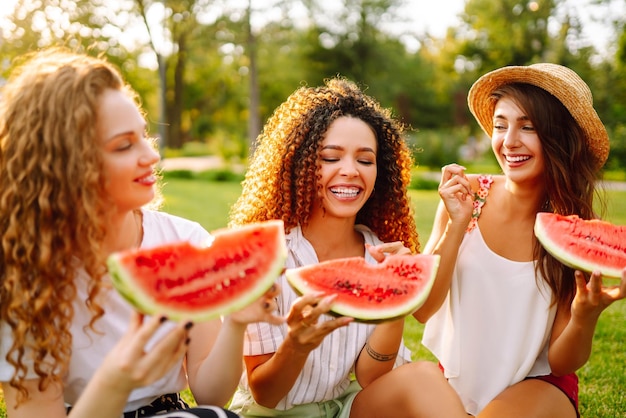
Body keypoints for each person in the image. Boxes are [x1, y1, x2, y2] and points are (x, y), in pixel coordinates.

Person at [0, 48, 283, 418]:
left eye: (144, 136)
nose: (151, 155)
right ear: (69, 166)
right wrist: (118, 380)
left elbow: (211, 395)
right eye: (124, 145)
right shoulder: (21, 272)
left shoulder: (184, 241)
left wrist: (236, 325)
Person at [414, 63, 626, 417]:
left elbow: (560, 362)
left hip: (540, 387)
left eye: (527, 127)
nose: (509, 141)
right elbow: (422, 309)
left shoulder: (577, 230)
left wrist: (584, 316)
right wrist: (457, 224)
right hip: (453, 383)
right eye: (500, 125)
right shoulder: (464, 197)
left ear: (559, 137)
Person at [227, 77, 444, 417]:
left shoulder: (378, 254)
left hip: (348, 409)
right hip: (275, 414)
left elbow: (371, 376)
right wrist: (296, 345)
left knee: (425, 376)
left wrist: (396, 301)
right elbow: (265, 394)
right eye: (330, 157)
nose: (350, 171)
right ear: (299, 164)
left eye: (365, 160)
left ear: (380, 172)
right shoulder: (267, 256)